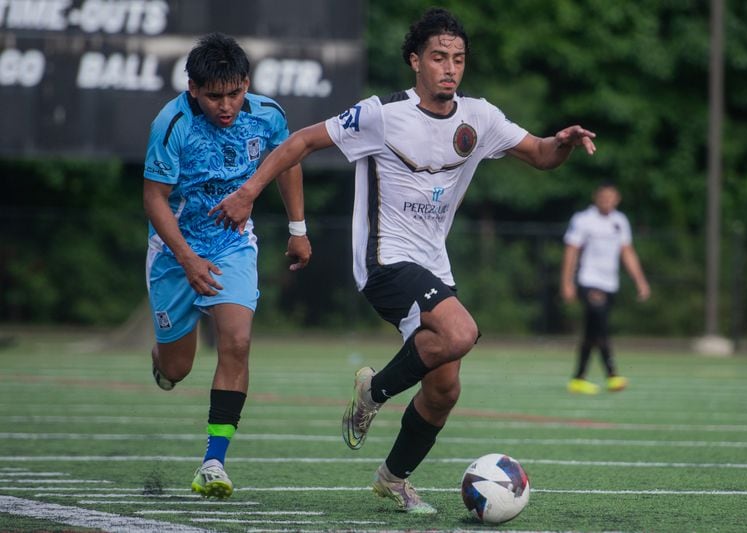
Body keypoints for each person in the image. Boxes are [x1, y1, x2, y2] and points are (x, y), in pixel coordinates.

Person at [210, 8, 595, 514]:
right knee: (459, 333)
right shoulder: (382, 115)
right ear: (416, 61)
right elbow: (300, 141)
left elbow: (542, 155)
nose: (449, 67)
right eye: (438, 57)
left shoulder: (479, 117)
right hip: (383, 261)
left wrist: (562, 143)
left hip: (434, 265)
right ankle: (375, 390)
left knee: (445, 389)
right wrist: (249, 192)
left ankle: (393, 478)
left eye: (458, 58)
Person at [143, 32, 311, 500]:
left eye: (235, 93)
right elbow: (154, 199)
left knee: (236, 341)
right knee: (177, 369)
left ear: (246, 84)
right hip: (176, 252)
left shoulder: (267, 114)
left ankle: (213, 461)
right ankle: (162, 360)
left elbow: (289, 162)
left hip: (233, 247)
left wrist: (298, 229)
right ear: (193, 88)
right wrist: (187, 258)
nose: (227, 105)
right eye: (215, 96)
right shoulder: (172, 123)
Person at [561, 181, 650, 394]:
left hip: (610, 283)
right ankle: (612, 375)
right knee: (601, 325)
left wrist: (640, 281)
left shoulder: (620, 221)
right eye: (603, 198)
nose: (607, 202)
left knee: (593, 331)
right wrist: (566, 283)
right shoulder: (583, 220)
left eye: (611, 198)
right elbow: (571, 251)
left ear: (617, 199)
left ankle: (578, 378)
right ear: (596, 198)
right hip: (589, 281)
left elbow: (627, 252)